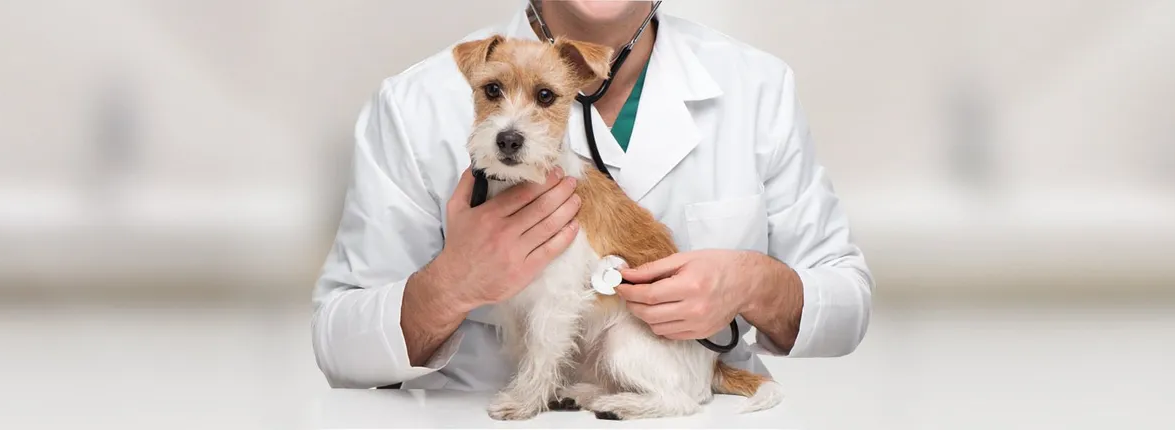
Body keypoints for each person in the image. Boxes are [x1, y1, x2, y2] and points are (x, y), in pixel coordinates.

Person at [312, 0, 873, 390]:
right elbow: (339, 342)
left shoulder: (758, 87)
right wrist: (449, 286)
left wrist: (755, 282)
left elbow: (846, 303)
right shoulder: (416, 103)